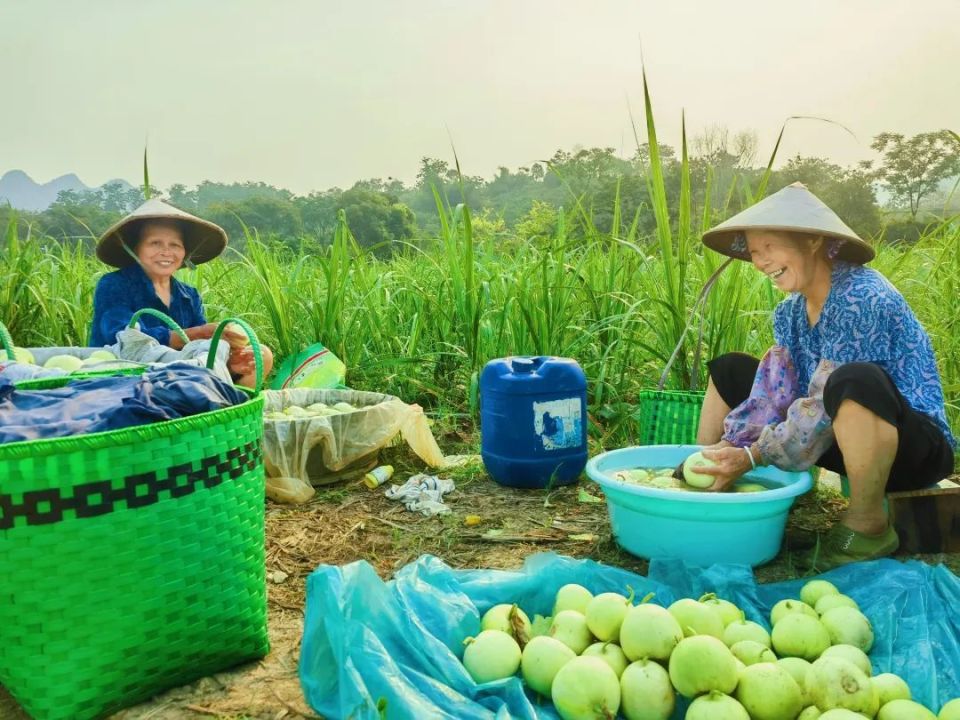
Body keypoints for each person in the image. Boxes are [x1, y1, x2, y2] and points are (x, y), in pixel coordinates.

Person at [688, 182, 956, 571]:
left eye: (769, 246)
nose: (761, 261)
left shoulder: (863, 296)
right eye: (754, 251)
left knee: (852, 380)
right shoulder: (789, 312)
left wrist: (753, 455)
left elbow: (823, 401)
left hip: (910, 449)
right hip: (837, 438)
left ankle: (868, 524)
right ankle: (704, 472)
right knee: (731, 367)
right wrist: (735, 445)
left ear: (813, 241)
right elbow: (776, 393)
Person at [91, 199, 274, 387]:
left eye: (175, 245)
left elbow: (198, 351)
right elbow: (124, 341)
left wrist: (230, 364)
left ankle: (230, 404)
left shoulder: (189, 295)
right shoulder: (114, 284)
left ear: (184, 253)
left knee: (261, 355)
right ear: (136, 249)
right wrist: (197, 333)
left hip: (178, 375)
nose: (166, 252)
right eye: (155, 243)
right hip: (125, 375)